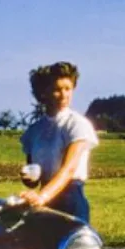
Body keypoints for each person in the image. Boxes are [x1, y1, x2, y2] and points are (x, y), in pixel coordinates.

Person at [19, 62, 100, 222]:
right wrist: (30, 180)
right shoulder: (34, 131)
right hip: (45, 200)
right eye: (57, 89)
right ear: (44, 93)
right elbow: (33, 176)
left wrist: (43, 197)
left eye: (68, 89)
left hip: (71, 200)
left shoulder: (77, 124)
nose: (64, 95)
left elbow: (69, 169)